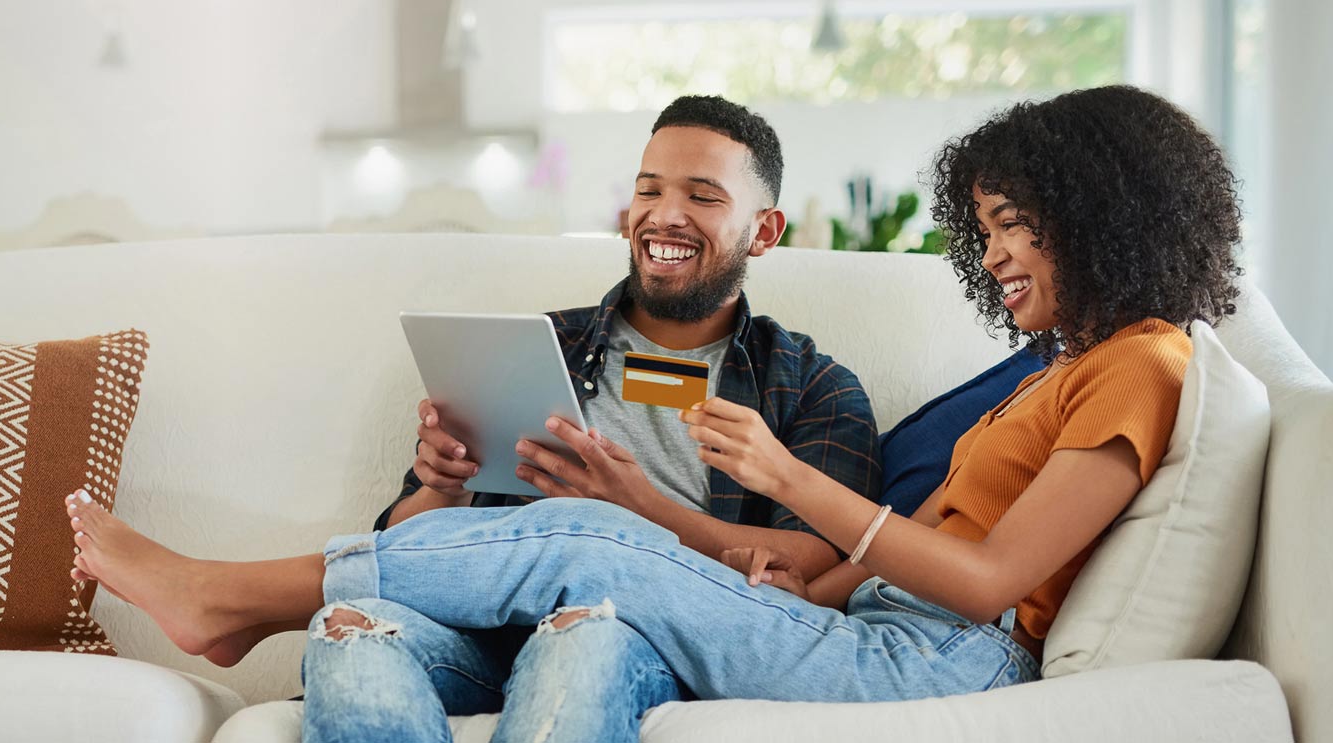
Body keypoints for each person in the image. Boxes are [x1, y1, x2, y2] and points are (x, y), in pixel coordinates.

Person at [66, 84, 1243, 743]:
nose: (994, 255)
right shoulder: (1063, 371)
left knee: (598, 545)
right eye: (984, 229)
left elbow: (984, 586)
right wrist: (438, 477)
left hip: (939, 653)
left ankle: (226, 598)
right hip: (860, 622)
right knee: (356, 635)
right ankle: (263, 604)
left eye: (1014, 224)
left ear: (1104, 214)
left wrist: (780, 487)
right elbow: (916, 548)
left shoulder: (1140, 364)